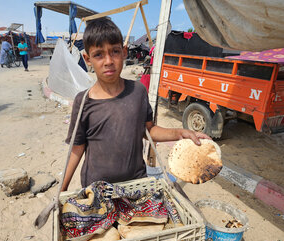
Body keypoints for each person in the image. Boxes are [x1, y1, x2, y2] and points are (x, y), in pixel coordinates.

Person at [61, 18, 210, 191]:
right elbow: (77, 149)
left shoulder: (138, 91)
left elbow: (149, 130)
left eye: (114, 52)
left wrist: (181, 133)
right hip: (96, 189)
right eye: (99, 54)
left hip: (136, 185)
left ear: (124, 52)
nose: (108, 61)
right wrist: (61, 192)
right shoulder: (83, 101)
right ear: (87, 59)